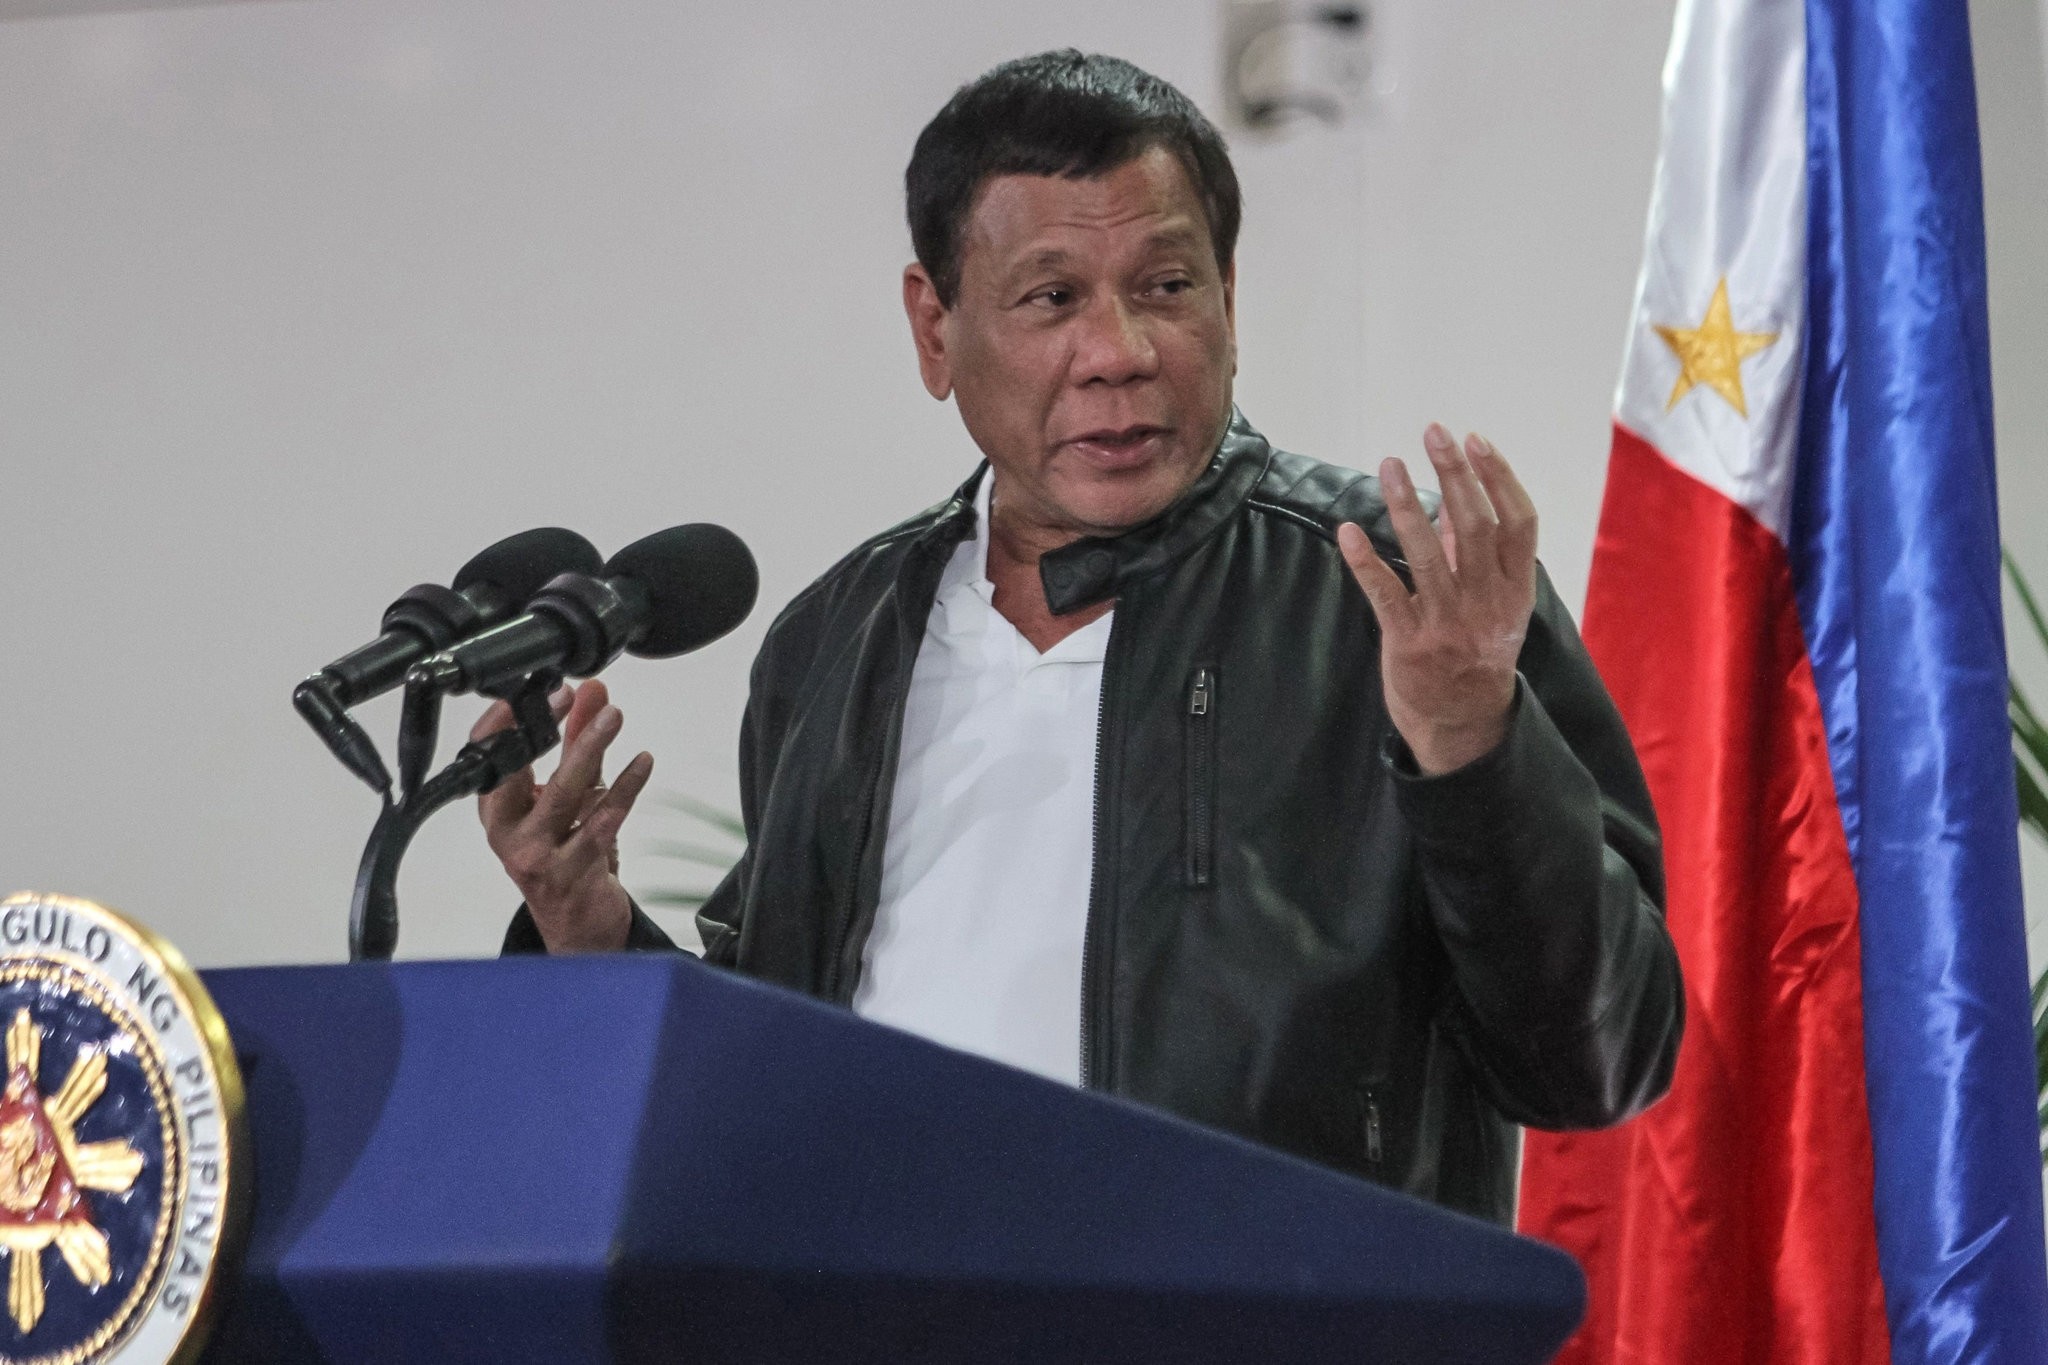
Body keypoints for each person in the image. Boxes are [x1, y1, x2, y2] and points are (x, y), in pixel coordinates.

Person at [480, 50, 1681, 1225]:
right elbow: (766, 1075)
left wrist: (1470, 745)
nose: (1119, 354)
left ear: (1227, 296)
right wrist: (591, 940)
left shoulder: (1395, 594)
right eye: (1051, 298)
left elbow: (1597, 1059)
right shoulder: (833, 643)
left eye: (1166, 286)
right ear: (933, 327)